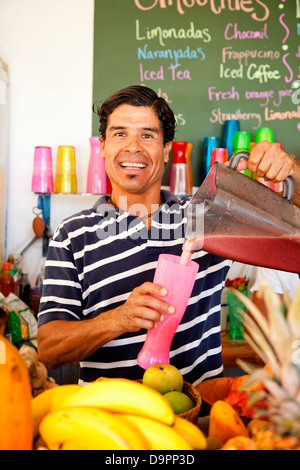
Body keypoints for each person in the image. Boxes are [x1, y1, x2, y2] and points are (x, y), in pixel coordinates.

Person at [37, 85, 300, 386]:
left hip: (200, 420)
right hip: (110, 422)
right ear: (103, 146)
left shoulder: (205, 218)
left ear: (165, 150)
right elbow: (48, 349)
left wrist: (289, 167)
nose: (133, 147)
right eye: (120, 133)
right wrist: (118, 319)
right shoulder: (72, 235)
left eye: (147, 135)